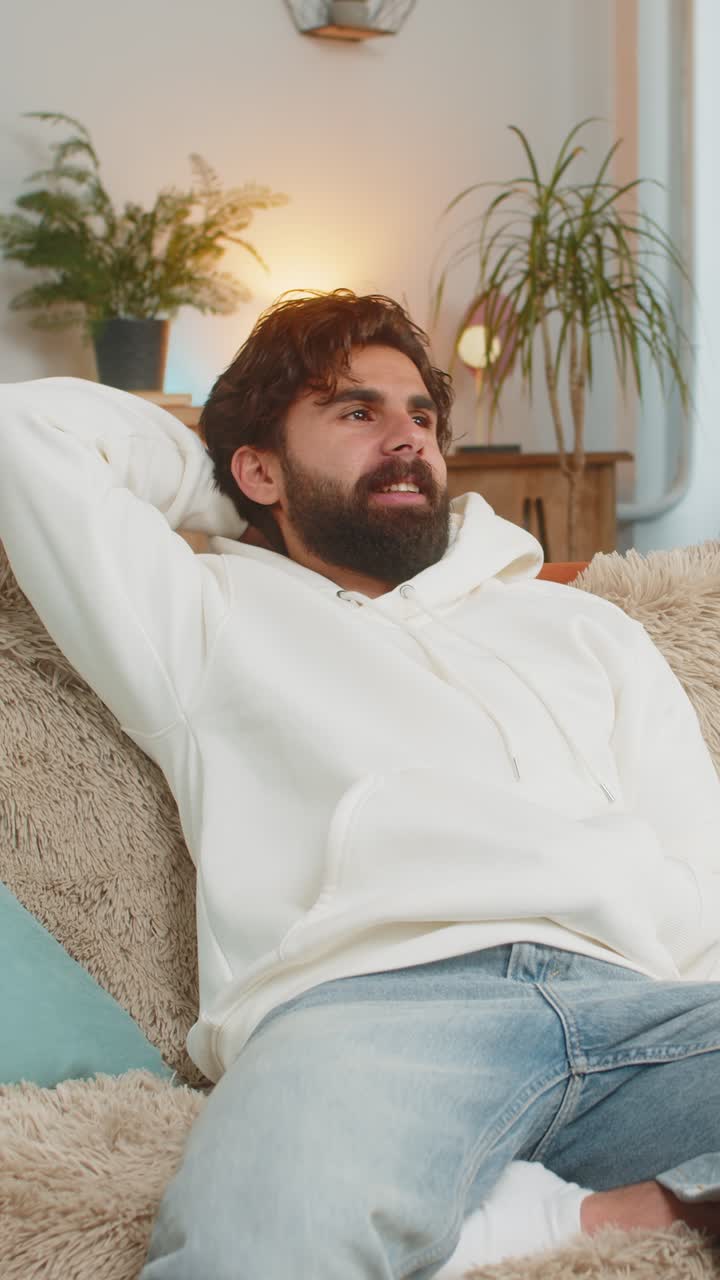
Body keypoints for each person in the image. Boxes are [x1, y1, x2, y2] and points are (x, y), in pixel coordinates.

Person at [1, 289, 720, 1280]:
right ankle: (527, 1211)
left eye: (422, 415)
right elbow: (26, 432)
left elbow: (698, 849)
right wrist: (239, 490)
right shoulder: (203, 623)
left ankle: (549, 1210)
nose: (406, 437)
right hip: (377, 1015)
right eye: (355, 412)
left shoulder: (583, 629)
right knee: (257, 1250)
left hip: (641, 1010)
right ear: (259, 464)